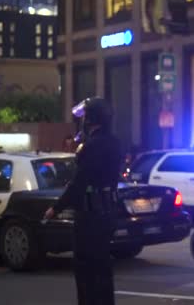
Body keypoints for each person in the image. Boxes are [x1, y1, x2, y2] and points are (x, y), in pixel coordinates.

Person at [43, 97, 122, 305]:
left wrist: (55, 208)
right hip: (109, 212)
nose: (83, 120)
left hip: (90, 216)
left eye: (85, 116)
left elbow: (78, 183)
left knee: (86, 271)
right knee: (104, 268)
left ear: (91, 119)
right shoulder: (115, 143)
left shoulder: (91, 146)